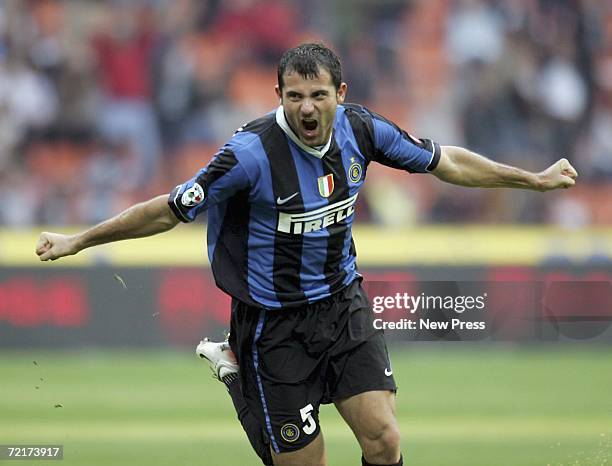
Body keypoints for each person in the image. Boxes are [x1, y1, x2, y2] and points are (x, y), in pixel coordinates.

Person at [36, 43, 578, 466]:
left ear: (339, 93)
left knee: (385, 439)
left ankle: (242, 374)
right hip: (273, 325)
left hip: (343, 306)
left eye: (318, 94)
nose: (306, 107)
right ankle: (240, 374)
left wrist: (531, 180)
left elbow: (445, 162)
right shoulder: (248, 155)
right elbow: (167, 209)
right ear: (278, 95)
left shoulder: (362, 129)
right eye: (293, 96)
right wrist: (78, 239)